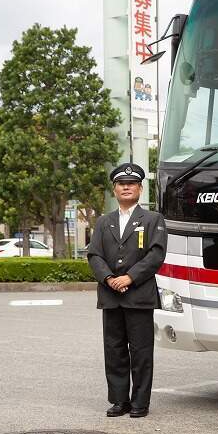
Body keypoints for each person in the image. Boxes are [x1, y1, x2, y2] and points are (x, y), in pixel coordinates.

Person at [87, 163, 167, 418]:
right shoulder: (103, 222)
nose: (126, 187)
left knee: (141, 352)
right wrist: (109, 278)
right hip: (111, 296)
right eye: (121, 184)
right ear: (115, 190)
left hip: (139, 295)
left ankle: (140, 402)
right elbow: (94, 255)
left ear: (140, 189)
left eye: (131, 184)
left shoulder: (153, 219)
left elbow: (156, 255)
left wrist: (130, 278)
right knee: (114, 350)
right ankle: (119, 400)